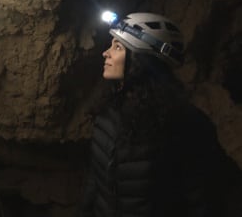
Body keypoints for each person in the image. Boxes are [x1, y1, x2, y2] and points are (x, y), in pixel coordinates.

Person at [78, 12, 229, 217]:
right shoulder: (109, 110)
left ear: (140, 62)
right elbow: (95, 181)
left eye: (118, 47)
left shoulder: (183, 123)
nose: (106, 53)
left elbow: (202, 199)